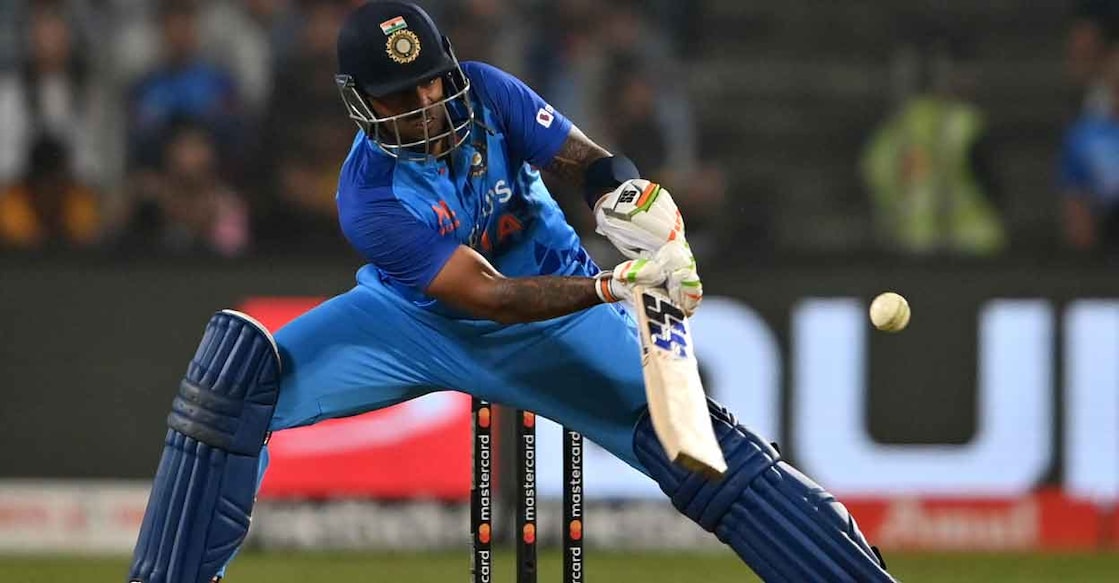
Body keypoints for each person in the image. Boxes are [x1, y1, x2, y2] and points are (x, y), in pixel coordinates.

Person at [126, 3, 895, 582]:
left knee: (698, 449)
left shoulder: (490, 94)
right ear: (360, 104)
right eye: (399, 95)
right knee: (233, 382)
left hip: (550, 315)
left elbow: (589, 161)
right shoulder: (368, 195)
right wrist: (608, 283)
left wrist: (631, 206)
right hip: (417, 321)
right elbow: (487, 299)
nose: (426, 103)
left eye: (431, 80)